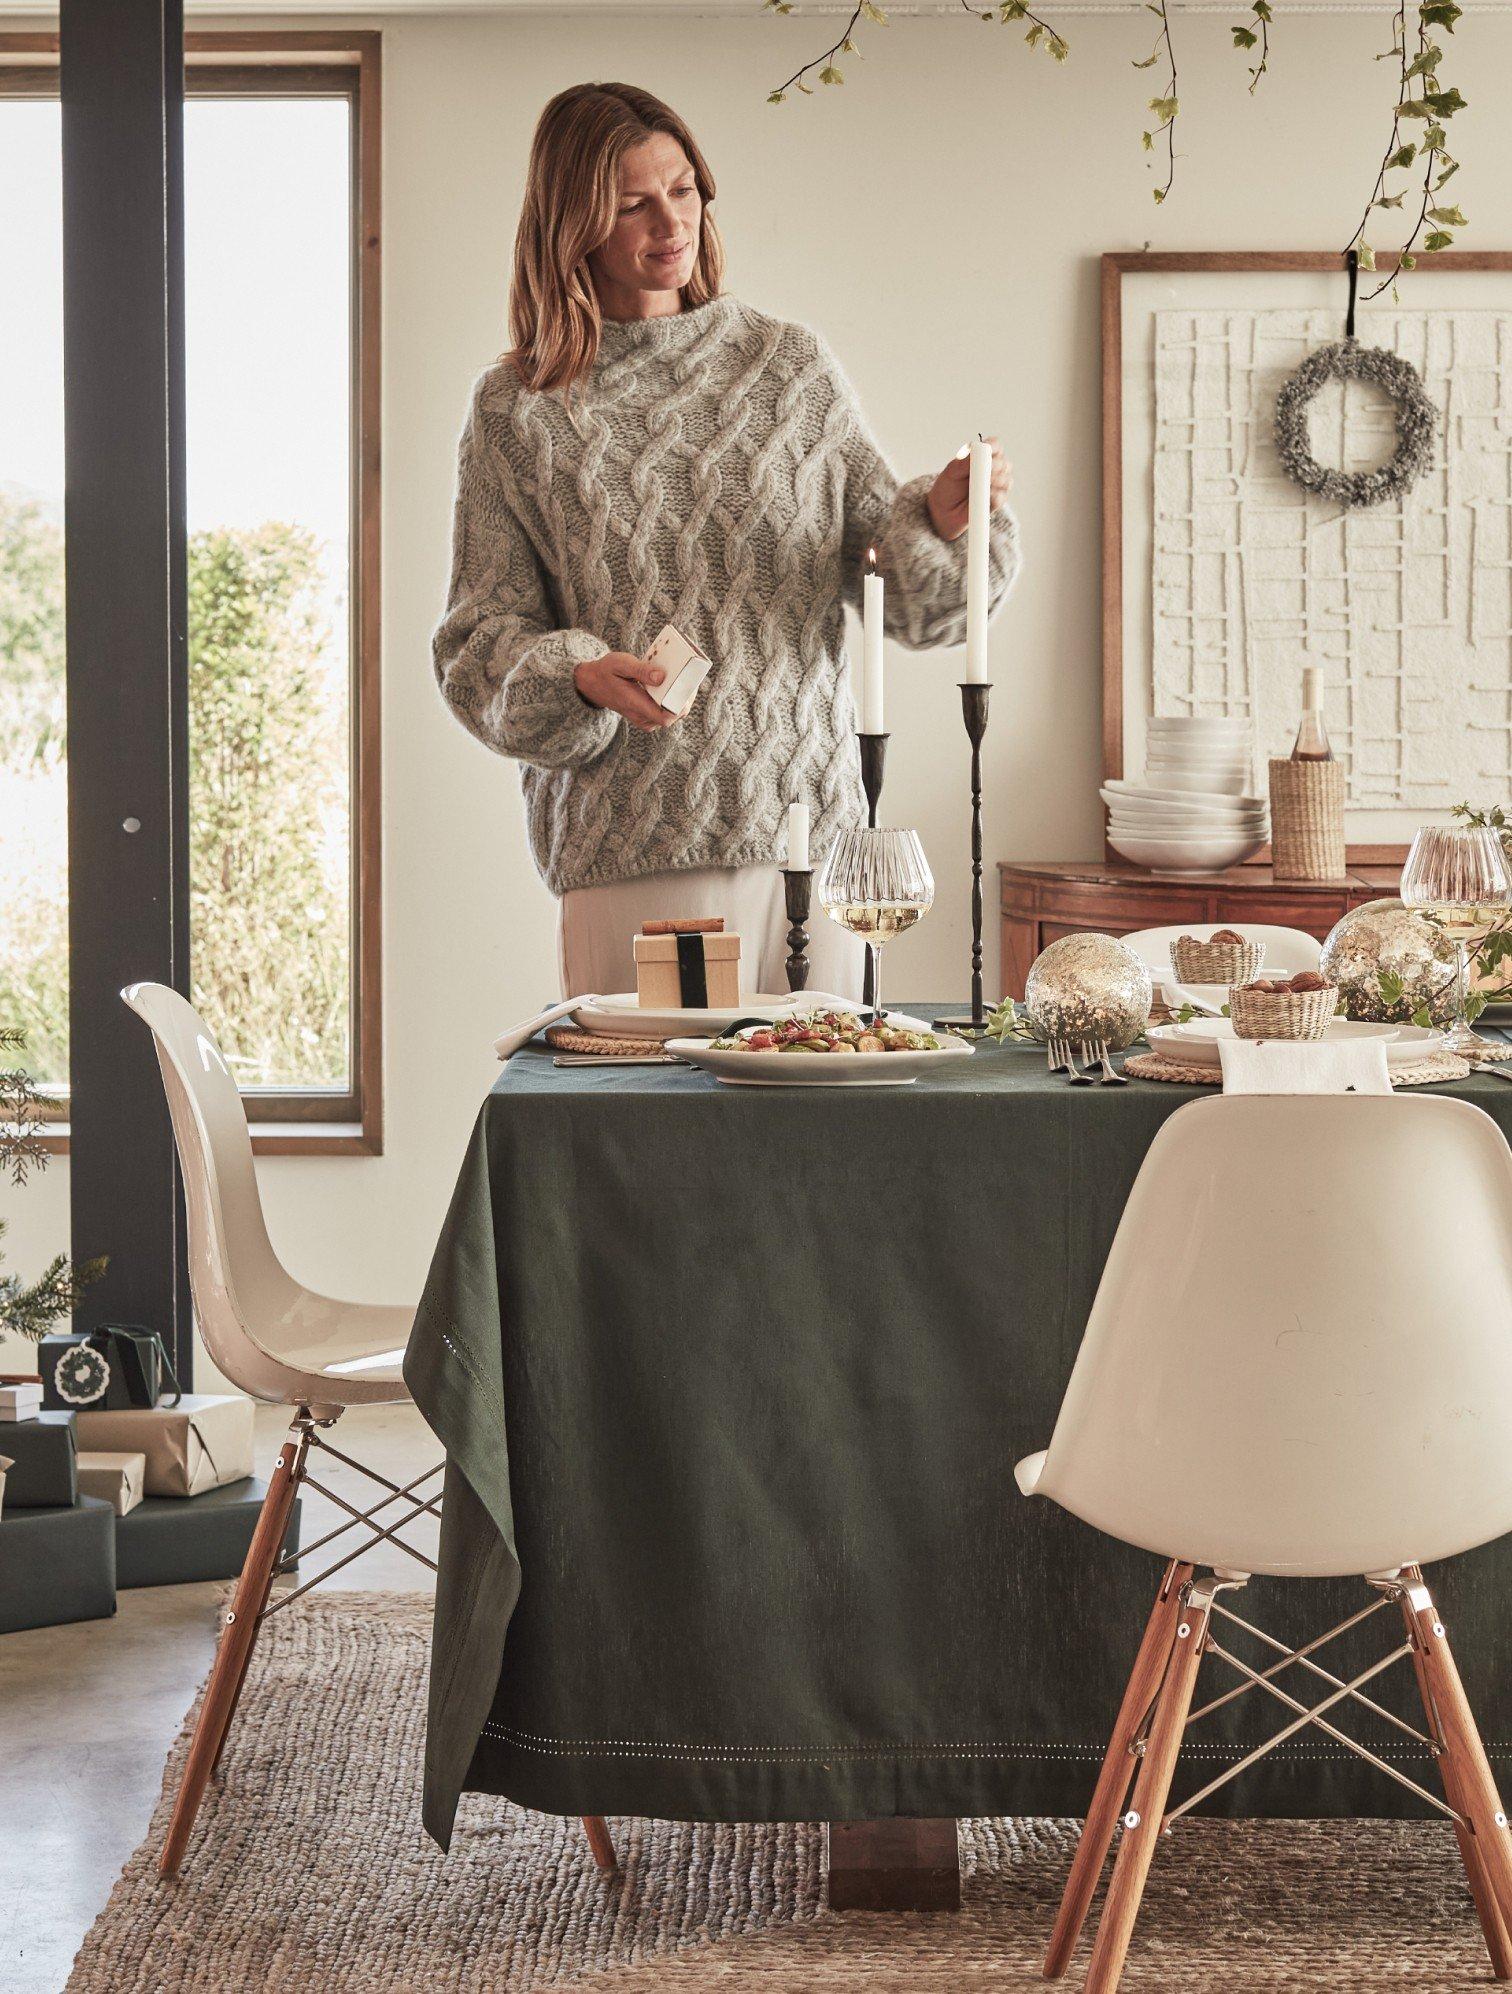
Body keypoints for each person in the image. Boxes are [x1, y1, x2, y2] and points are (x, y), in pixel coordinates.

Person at [433, 80, 1019, 1002]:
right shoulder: (518, 411)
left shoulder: (787, 371)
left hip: (810, 846)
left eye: (684, 188)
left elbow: (899, 592)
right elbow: (478, 647)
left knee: (816, 1135)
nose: (670, 221)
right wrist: (580, 674)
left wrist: (943, 522)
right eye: (631, 203)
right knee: (643, 1137)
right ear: (573, 224)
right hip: (625, 852)